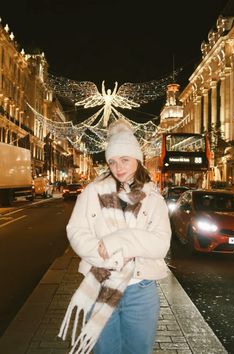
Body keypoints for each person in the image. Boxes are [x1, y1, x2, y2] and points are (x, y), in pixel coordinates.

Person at [58, 119, 171, 354]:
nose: (118, 167)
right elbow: (76, 231)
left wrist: (118, 240)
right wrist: (107, 257)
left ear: (137, 159)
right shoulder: (92, 191)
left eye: (124, 160)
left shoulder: (153, 198)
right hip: (100, 284)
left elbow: (160, 245)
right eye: (112, 161)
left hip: (140, 289)